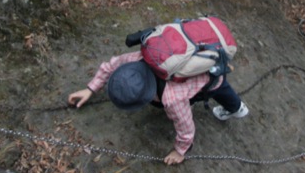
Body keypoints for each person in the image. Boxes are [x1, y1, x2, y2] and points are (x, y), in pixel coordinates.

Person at [68, 51, 249, 165]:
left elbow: (186, 128)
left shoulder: (172, 100)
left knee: (219, 88)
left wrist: (180, 151)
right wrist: (90, 88)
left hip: (211, 76)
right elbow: (111, 65)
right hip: (200, 54)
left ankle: (237, 108)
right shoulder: (138, 58)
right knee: (199, 92)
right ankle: (229, 104)